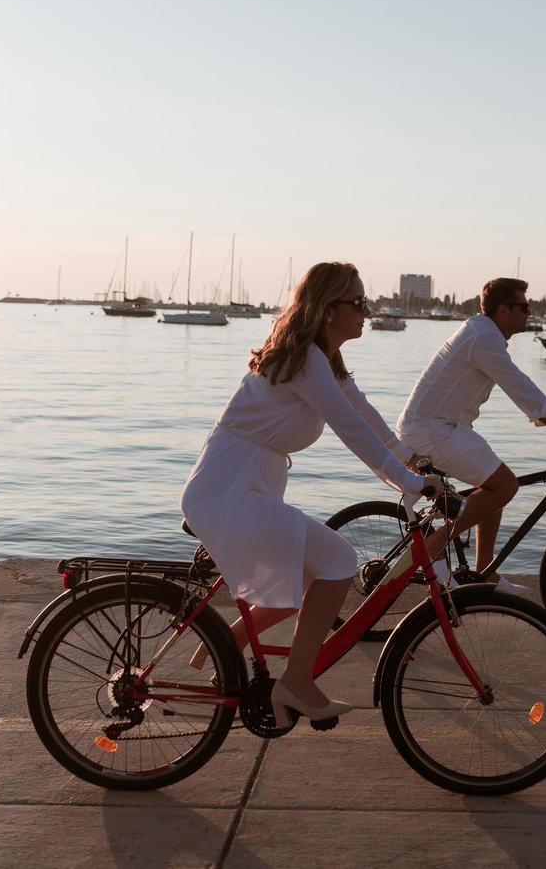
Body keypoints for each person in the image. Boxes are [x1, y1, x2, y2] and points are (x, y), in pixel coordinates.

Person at [181, 262, 439, 728]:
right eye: (358, 303)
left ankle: (224, 641)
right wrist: (408, 483)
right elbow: (351, 430)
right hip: (230, 491)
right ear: (327, 310)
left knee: (297, 586)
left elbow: (365, 415)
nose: (367, 311)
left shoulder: (322, 358)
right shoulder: (305, 360)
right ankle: (296, 682)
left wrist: (411, 461)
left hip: (242, 484)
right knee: (339, 560)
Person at [397, 277, 546, 593]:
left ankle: (484, 573)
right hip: (431, 430)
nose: (529, 313)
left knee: (493, 485)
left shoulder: (483, 333)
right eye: (524, 307)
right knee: (504, 485)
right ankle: (433, 546)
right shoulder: (483, 338)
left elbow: (526, 390)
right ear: (503, 310)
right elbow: (521, 389)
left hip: (440, 427)